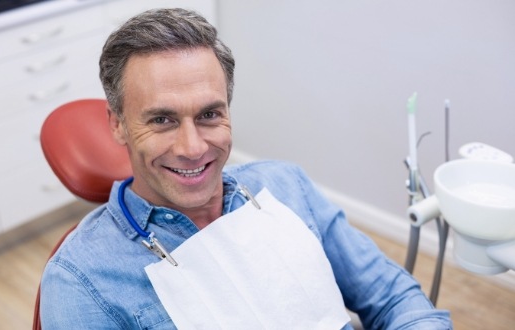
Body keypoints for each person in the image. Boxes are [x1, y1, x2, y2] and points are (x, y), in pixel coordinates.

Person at [40, 8, 452, 329]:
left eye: (209, 115)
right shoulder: (81, 282)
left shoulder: (286, 187)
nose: (193, 147)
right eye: (162, 119)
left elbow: (394, 297)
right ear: (117, 124)